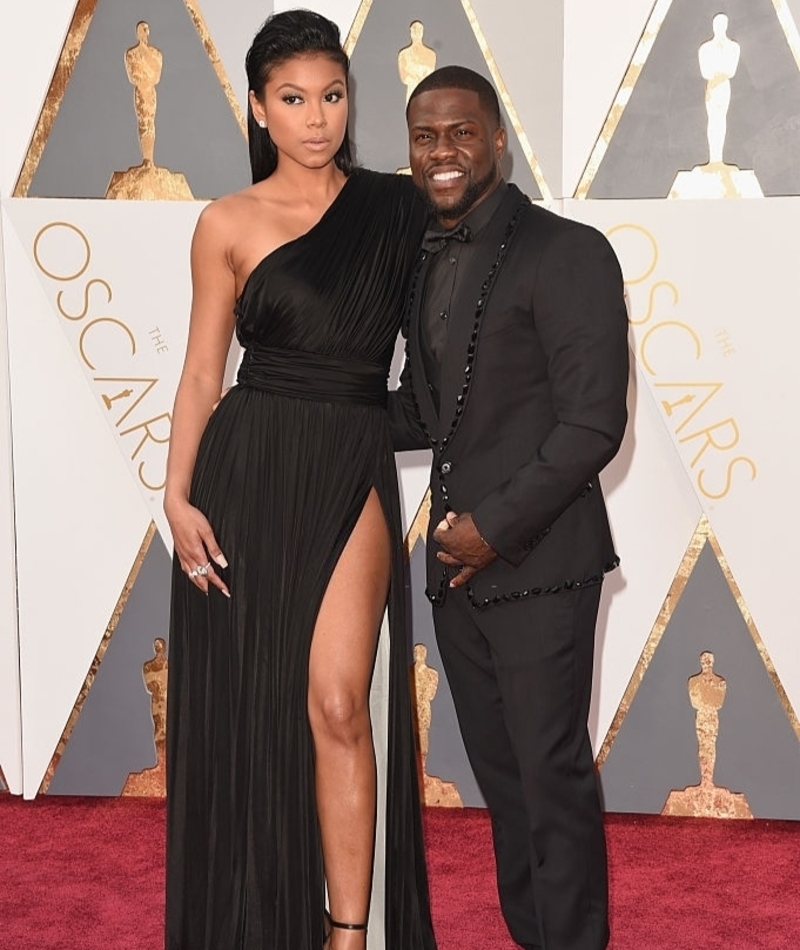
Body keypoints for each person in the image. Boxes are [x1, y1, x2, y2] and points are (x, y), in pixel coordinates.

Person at [163, 11, 436, 950]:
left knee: (336, 700)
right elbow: (204, 372)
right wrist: (177, 494)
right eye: (294, 99)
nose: (317, 118)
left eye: (331, 95)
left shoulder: (398, 209)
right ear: (259, 108)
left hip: (348, 460)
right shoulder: (227, 222)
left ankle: (347, 933)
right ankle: (250, 916)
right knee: (251, 713)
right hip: (246, 467)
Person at [389, 66, 630, 950]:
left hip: (542, 563)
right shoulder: (423, 258)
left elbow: (594, 420)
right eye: (425, 136)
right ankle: (533, 935)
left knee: (551, 776)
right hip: (457, 573)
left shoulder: (568, 251)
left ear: (497, 139)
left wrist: (494, 526)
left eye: (460, 132)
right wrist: (304, 412)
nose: (442, 151)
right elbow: (423, 409)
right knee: (502, 780)